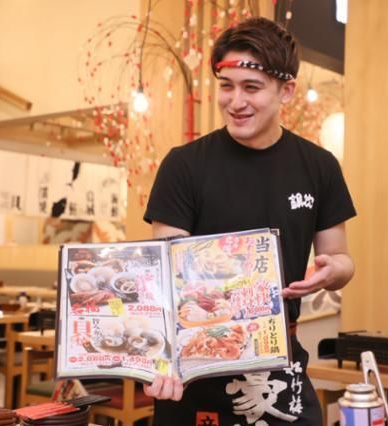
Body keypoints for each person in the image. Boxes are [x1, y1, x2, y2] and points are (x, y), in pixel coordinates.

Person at [143, 16, 356, 426]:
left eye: (251, 88)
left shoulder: (319, 167)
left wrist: (331, 271)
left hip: (279, 369)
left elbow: (342, 260)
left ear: (286, 90)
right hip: (195, 368)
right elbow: (167, 277)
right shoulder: (184, 166)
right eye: (227, 86)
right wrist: (160, 359)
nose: (235, 101)